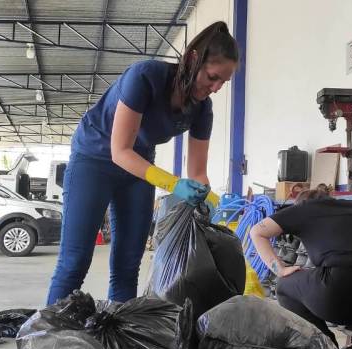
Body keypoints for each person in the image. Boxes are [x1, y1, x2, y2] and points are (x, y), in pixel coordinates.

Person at [47, 21, 238, 305]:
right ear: (193, 60)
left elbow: (197, 172)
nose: (217, 87)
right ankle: (45, 338)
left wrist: (206, 198)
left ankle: (124, 336)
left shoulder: (202, 108)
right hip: (95, 158)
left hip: (138, 169)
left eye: (224, 82)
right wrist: (173, 185)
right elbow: (120, 151)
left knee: (127, 266)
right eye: (213, 77)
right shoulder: (146, 76)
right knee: (74, 261)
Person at [249, 186, 352, 346]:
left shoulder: (304, 208)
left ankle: (326, 347)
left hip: (345, 289)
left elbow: (257, 232)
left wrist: (280, 269)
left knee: (284, 285)